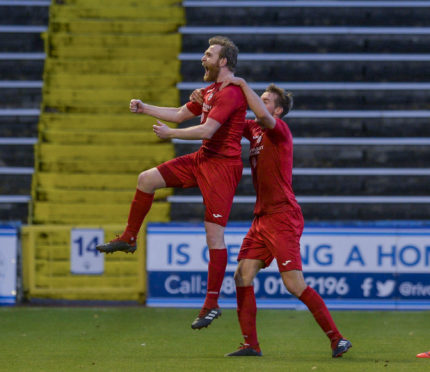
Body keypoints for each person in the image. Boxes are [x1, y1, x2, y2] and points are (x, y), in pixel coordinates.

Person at [192, 78, 352, 358]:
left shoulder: (280, 130)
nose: (259, 102)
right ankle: (250, 344)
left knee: (293, 284)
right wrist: (203, 103)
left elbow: (260, 114)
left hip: (283, 216)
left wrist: (240, 84)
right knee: (242, 275)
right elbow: (221, 120)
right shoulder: (253, 129)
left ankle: (337, 339)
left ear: (277, 111)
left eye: (265, 100)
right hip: (262, 217)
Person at [96, 36, 248, 330]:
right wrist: (145, 108)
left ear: (223, 61)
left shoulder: (230, 94)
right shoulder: (209, 91)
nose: (202, 59)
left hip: (222, 169)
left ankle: (211, 303)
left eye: (208, 54)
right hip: (203, 159)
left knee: (213, 237)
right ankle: (129, 238)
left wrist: (171, 135)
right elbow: (180, 114)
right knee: (146, 179)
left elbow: (208, 129)